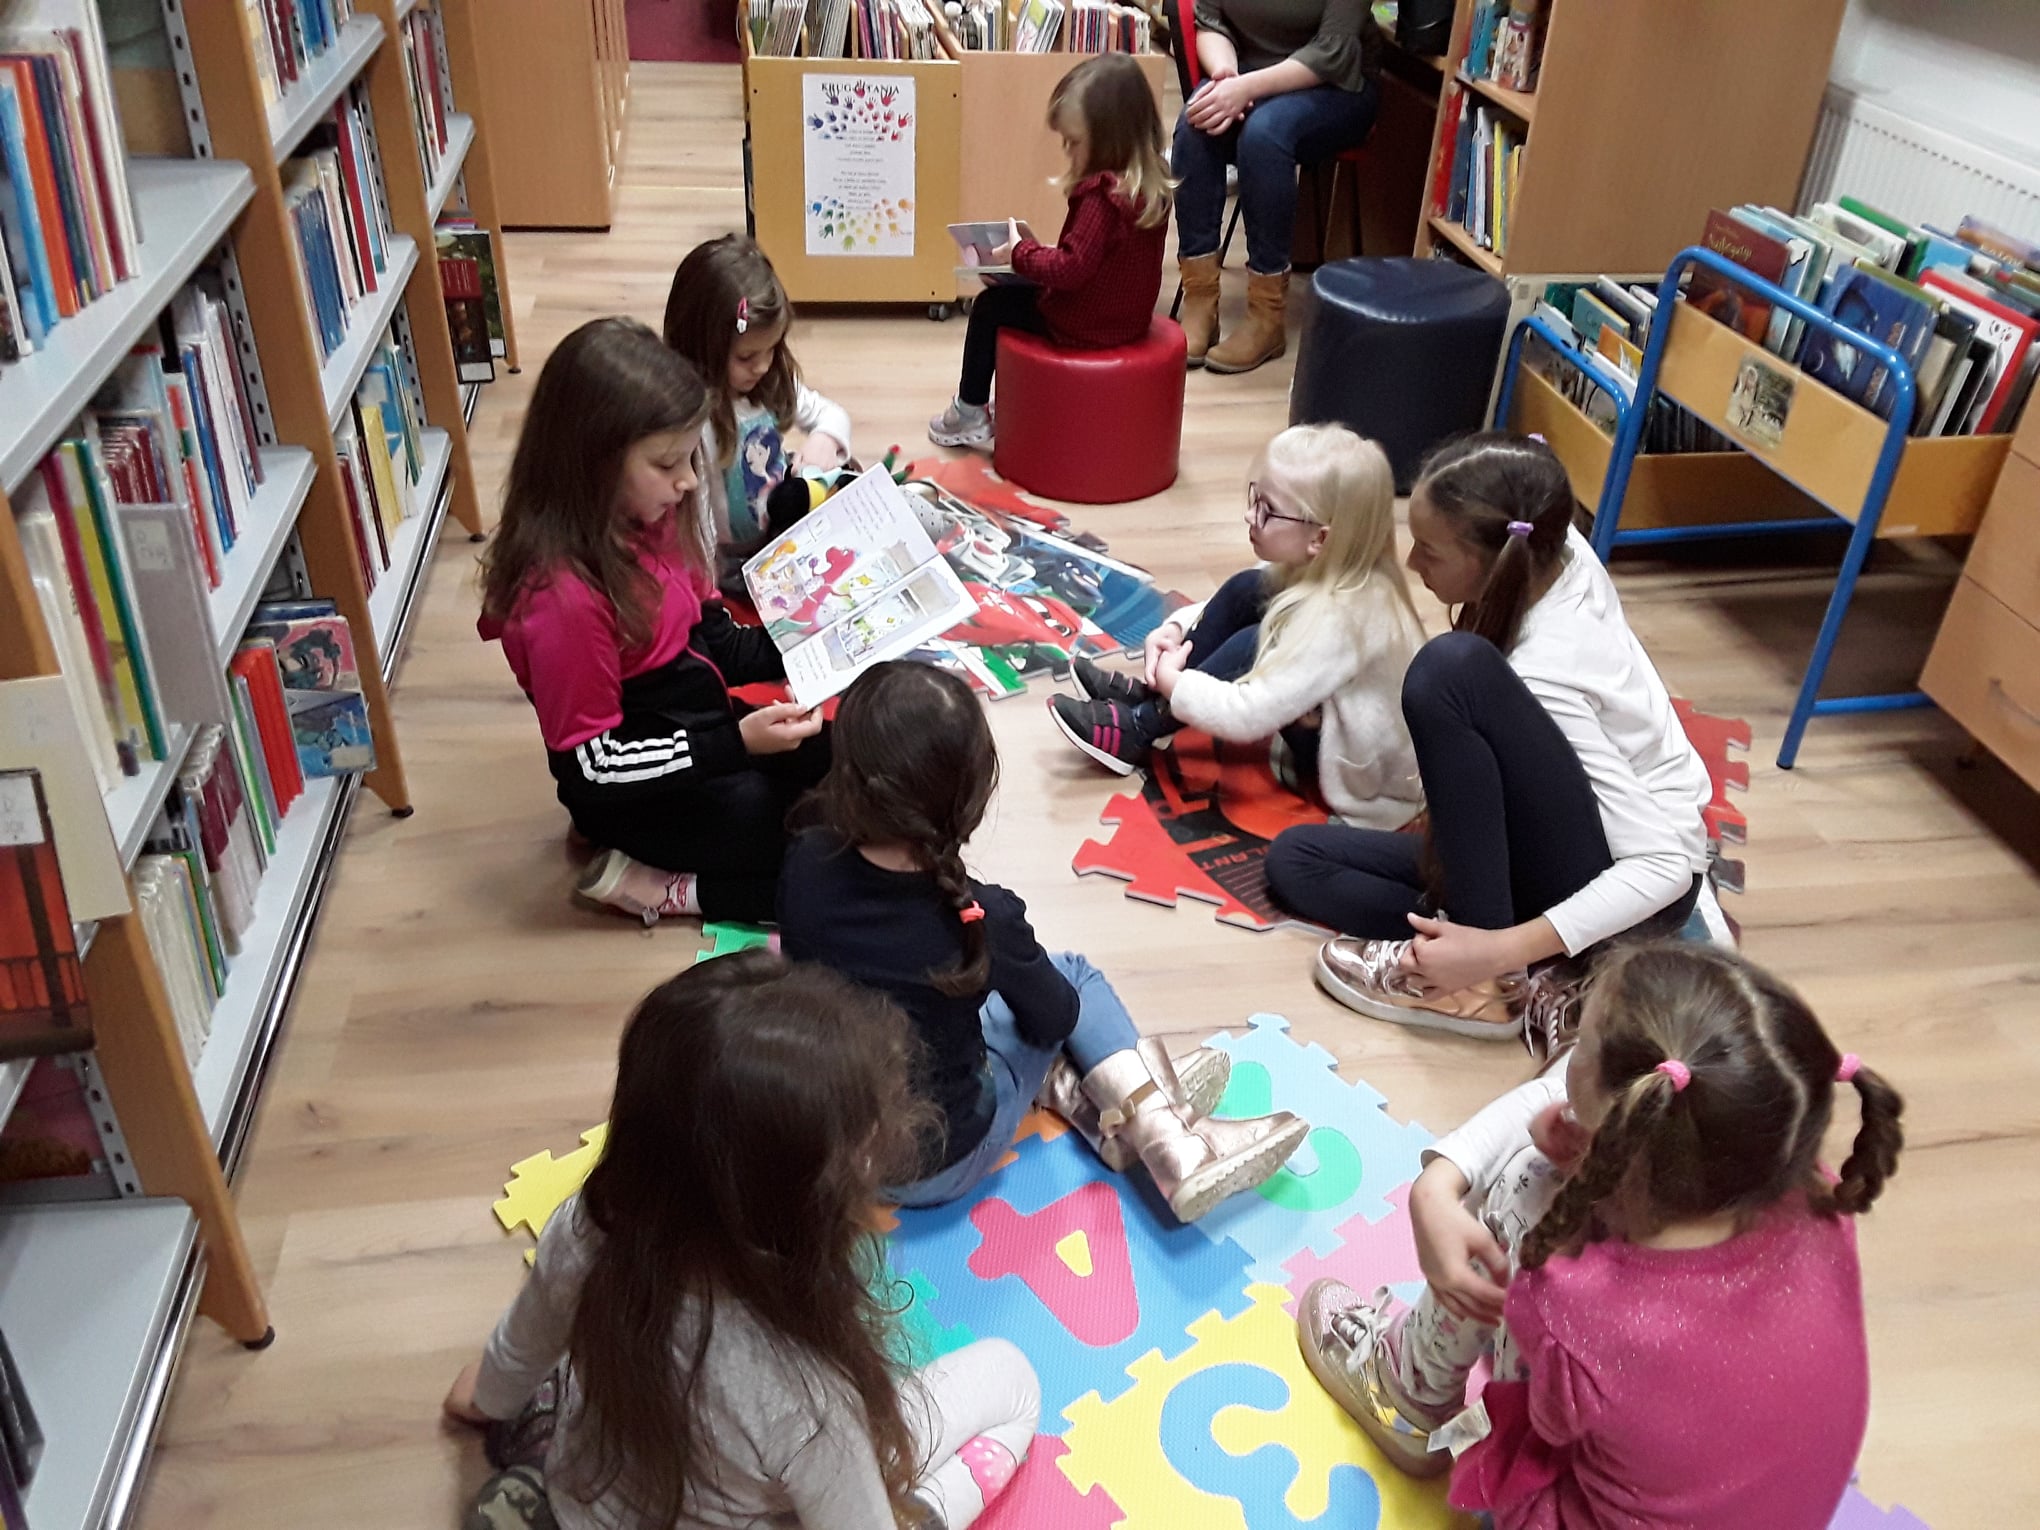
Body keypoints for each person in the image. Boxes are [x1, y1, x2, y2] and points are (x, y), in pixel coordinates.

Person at [1295, 942, 1902, 1529]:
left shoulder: (1575, 1305)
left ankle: (1407, 1391)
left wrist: (1468, 1189)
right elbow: (1558, 1094)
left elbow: (1549, 1422)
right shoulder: (1810, 1186)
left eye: (1579, 1045)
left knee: (1528, 1188)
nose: (1564, 1061)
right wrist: (1439, 1181)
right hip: (1778, 1507)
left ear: (1627, 1124)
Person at [443, 954, 1044, 1530]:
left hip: (585, 1503)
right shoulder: (806, 1395)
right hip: (779, 1476)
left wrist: (489, 1401)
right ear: (806, 1202)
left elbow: (514, 1356)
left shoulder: (586, 1226)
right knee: (1013, 1379)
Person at [778, 661, 1308, 1223]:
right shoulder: (980, 916)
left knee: (955, 1006)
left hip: (845, 1145)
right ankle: (1170, 1138)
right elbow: (1055, 1018)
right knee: (1071, 976)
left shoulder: (803, 860)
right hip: (944, 1159)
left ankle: (1094, 1104)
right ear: (971, 794)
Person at [1266, 432, 1713, 1039]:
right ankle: (1491, 950)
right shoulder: (1550, 545)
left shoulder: (1547, 670)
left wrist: (1497, 949)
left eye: (1429, 551)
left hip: (1635, 889)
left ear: (1491, 558)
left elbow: (1666, 865)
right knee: (1297, 860)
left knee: (1447, 671)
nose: (1412, 564)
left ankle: (1489, 979)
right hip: (1563, 842)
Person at [477, 317, 827, 927]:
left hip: (693, 729)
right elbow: (592, 767)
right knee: (819, 860)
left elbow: (713, 640)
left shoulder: (652, 515)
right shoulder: (561, 598)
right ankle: (672, 890)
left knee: (845, 763)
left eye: (689, 457)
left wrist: (809, 635)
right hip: (633, 789)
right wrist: (734, 744)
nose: (689, 481)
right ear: (595, 463)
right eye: (667, 463)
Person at [1048, 425, 1424, 831]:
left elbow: (1249, 713)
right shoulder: (1330, 564)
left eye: (1267, 510)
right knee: (1249, 588)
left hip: (1354, 778)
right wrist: (1175, 631)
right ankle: (1150, 700)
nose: (1249, 515)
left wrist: (1178, 684)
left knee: (1258, 643)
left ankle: (1142, 727)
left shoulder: (1345, 618)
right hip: (1325, 719)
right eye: (1254, 497)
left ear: (1319, 538)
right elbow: (1231, 601)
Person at [928, 54, 1171, 451]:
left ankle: (969, 410)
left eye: (1073, 142)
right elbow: (1099, 261)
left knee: (990, 307)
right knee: (1013, 289)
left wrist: (1021, 253)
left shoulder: (1102, 198)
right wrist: (1033, 258)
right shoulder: (1148, 182)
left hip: (1082, 325)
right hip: (1124, 319)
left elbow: (1072, 268)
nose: (1067, 152)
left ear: (1108, 140)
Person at [1174, 0, 1383, 373]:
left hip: (1335, 84)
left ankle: (1266, 317)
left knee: (1264, 136)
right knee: (1195, 126)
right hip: (1245, 74)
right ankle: (1200, 302)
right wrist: (1225, 75)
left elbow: (1332, 51)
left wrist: (1245, 89)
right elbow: (1209, 20)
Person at [663, 234, 853, 551]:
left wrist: (825, 438)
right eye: (746, 357)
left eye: (772, 349)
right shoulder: (695, 420)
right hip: (731, 556)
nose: (763, 366)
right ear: (703, 347)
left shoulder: (770, 381)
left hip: (779, 532)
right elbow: (699, 522)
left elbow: (832, 414)